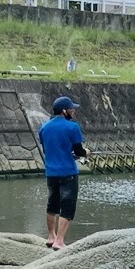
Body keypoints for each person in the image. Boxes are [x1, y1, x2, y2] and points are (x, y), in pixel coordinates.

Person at [39, 96, 89, 249]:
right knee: (67, 206)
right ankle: (59, 241)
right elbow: (79, 151)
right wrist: (86, 152)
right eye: (71, 109)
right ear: (64, 111)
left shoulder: (44, 127)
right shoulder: (72, 127)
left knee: (52, 204)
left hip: (51, 173)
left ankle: (50, 236)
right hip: (68, 173)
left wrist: (70, 154)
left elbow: (50, 150)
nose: (73, 111)